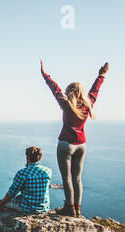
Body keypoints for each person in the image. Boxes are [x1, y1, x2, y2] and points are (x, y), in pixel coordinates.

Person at [41, 60, 109, 217]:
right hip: (81, 145)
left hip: (66, 144)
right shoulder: (88, 104)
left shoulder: (66, 104)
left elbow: (55, 89)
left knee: (67, 179)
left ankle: (69, 208)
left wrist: (45, 75)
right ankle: (77, 209)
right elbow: (95, 90)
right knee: (77, 179)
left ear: (70, 92)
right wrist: (101, 74)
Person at [0, 146, 52, 229]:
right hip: (44, 207)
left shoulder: (23, 173)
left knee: (0, 204)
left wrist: (2, 202)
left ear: (27, 157)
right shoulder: (48, 171)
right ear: (39, 158)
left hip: (28, 207)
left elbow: (12, 192)